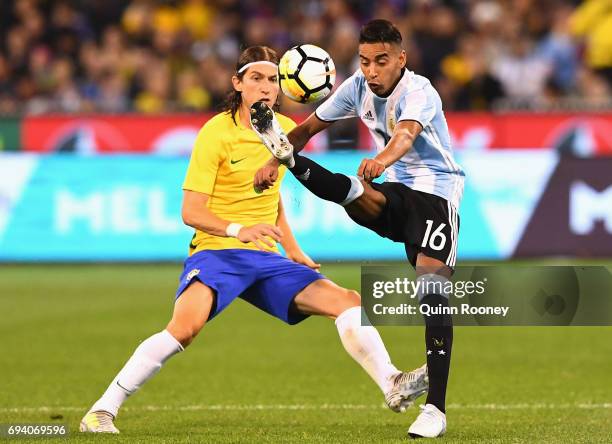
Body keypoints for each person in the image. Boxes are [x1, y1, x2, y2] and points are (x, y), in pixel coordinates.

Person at [79, 45, 428, 434]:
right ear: (238, 83)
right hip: (218, 252)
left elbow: (274, 192)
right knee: (184, 329)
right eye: (257, 79)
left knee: (347, 302)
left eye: (273, 80)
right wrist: (238, 230)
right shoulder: (216, 132)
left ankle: (392, 384)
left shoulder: (279, 129)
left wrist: (292, 248)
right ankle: (102, 409)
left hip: (266, 256)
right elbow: (191, 212)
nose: (265, 87)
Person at [251, 20, 465, 439]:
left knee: (432, 287)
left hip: (438, 194)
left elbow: (405, 135)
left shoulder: (420, 91)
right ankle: (292, 161)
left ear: (400, 59)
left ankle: (435, 409)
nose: (371, 70)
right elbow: (310, 128)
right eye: (365, 61)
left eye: (381, 61)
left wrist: (382, 160)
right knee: (353, 193)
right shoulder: (357, 86)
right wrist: (276, 160)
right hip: (399, 193)